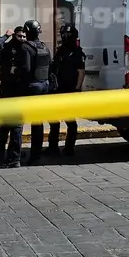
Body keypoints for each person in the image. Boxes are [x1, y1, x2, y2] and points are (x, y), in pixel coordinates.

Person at [0, 26, 27, 167]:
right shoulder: (6, 48)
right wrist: (6, 35)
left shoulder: (26, 49)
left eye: (24, 36)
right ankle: (0, 155)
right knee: (5, 125)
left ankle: (14, 156)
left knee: (17, 126)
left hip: (20, 91)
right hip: (6, 89)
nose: (22, 39)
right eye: (19, 36)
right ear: (14, 36)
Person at [19, 19, 53, 165]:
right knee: (38, 122)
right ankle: (37, 153)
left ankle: (33, 156)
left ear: (27, 32)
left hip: (32, 86)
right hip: (44, 85)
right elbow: (50, 65)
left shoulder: (25, 47)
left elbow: (25, 68)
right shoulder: (44, 46)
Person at [49, 23, 85, 157]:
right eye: (63, 34)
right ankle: (52, 147)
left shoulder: (77, 52)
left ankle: (69, 148)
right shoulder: (60, 50)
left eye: (67, 35)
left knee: (70, 120)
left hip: (70, 90)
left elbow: (81, 71)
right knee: (53, 119)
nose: (64, 37)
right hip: (57, 89)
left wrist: (77, 89)